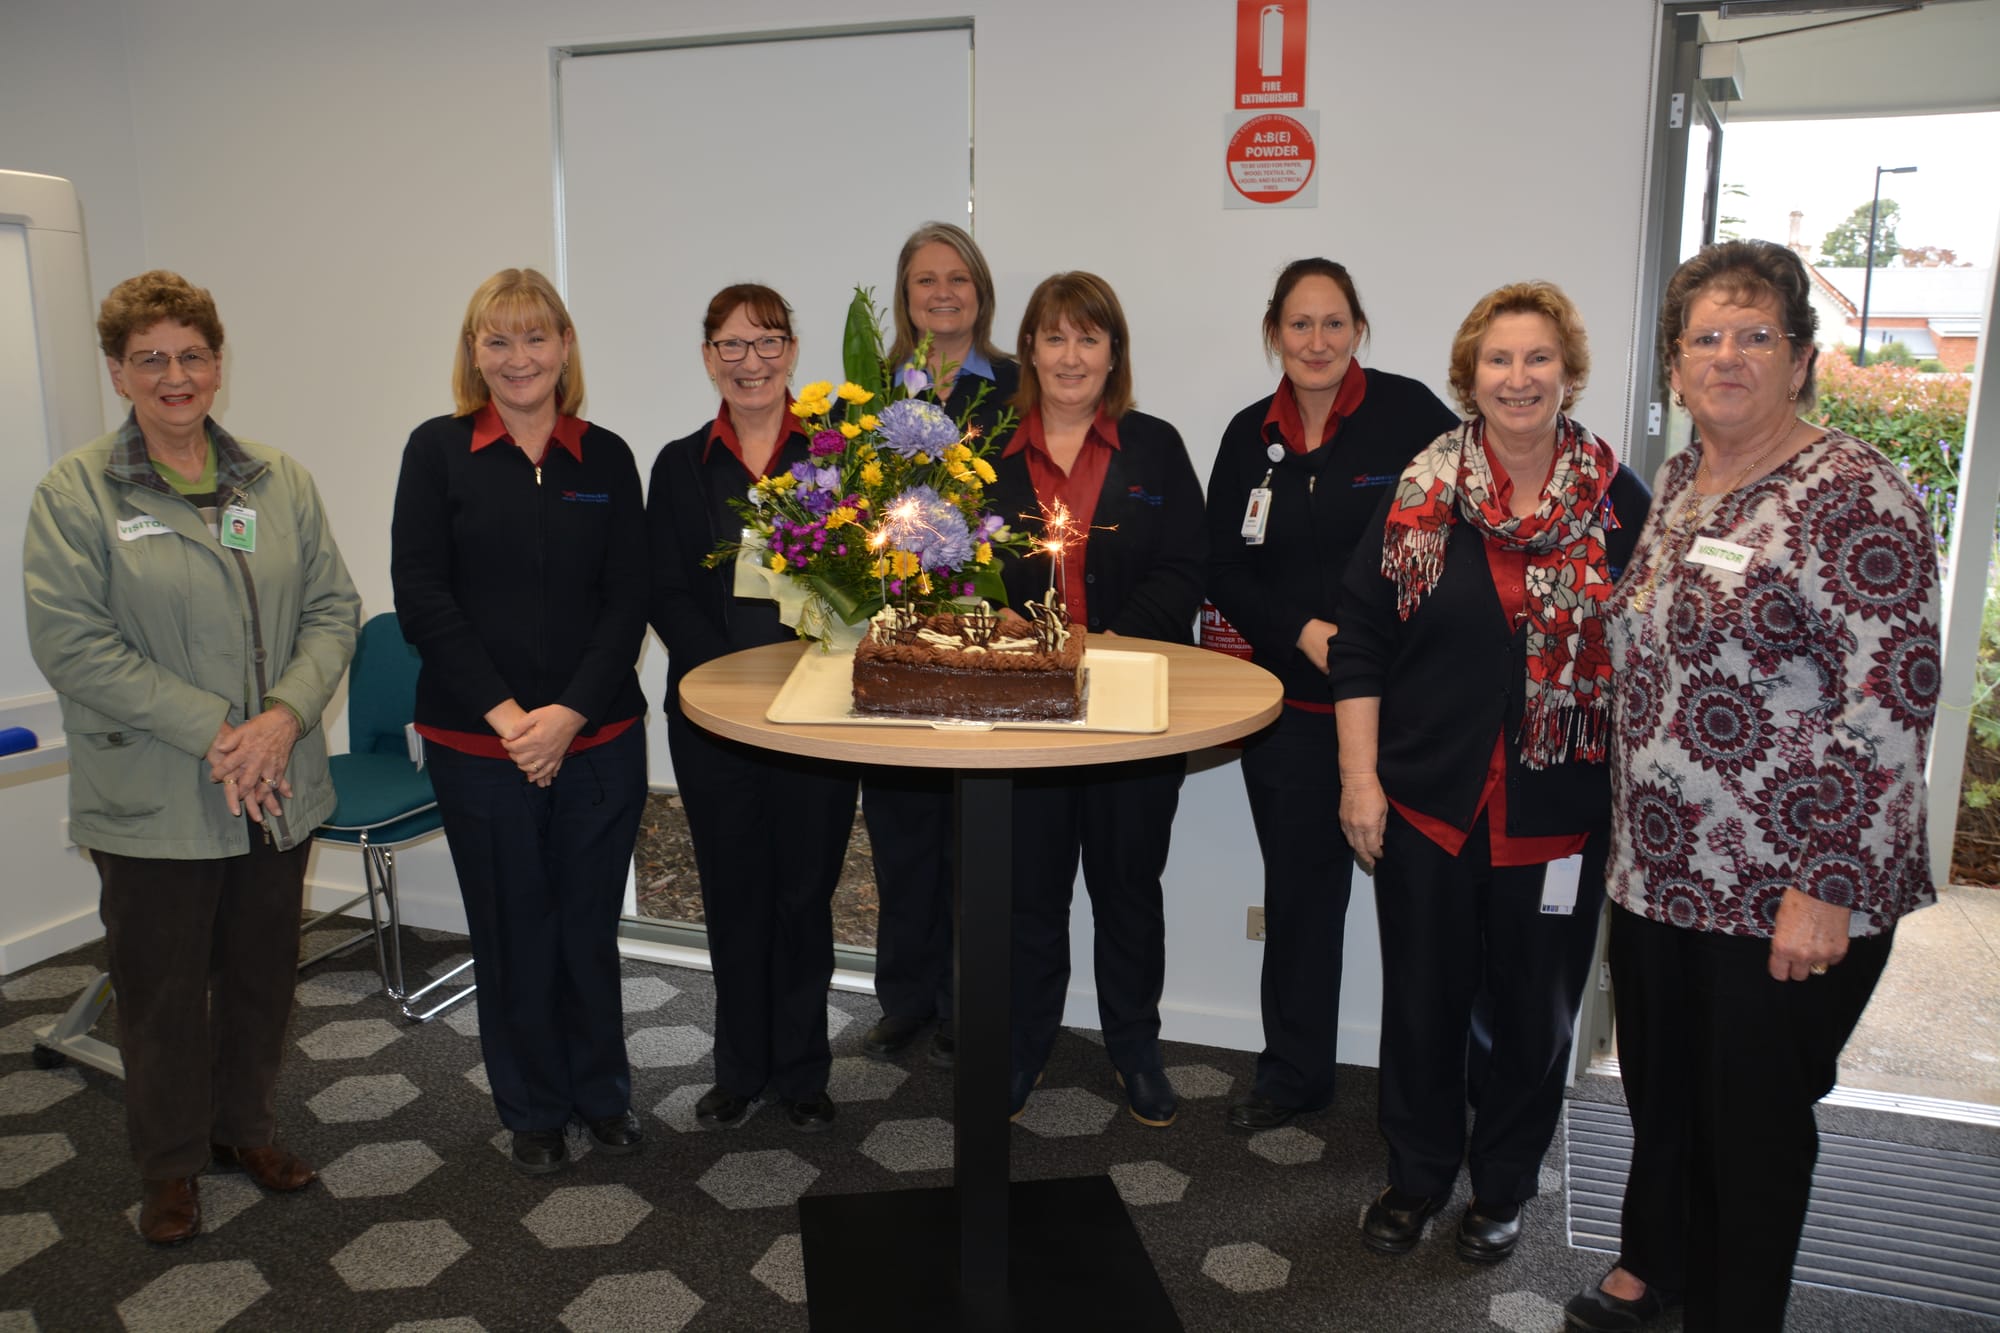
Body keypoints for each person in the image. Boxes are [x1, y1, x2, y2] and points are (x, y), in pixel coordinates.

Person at [1566, 240, 1941, 1333]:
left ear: (1799, 358)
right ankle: (1658, 1264)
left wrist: (1821, 883)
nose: (1726, 357)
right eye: (1704, 338)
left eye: (1754, 336)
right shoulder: (1684, 476)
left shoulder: (1853, 497)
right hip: (1661, 871)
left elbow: (1886, 708)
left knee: (1754, 1128)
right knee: (1666, 1095)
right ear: (1673, 365)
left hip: (1784, 887)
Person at [23, 270, 360, 1243]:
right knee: (162, 990)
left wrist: (280, 719)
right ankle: (168, 1166)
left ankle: (241, 1129)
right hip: (159, 786)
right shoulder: (76, 494)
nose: (176, 376)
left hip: (274, 782)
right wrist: (221, 730)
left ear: (218, 365)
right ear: (120, 372)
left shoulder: (276, 480)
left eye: (192, 355)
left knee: (261, 975)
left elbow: (334, 610)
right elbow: (72, 642)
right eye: (151, 359)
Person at [1329, 281, 1650, 1261]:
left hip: (1555, 812)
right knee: (1420, 1002)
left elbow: (1651, 655)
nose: (1518, 378)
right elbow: (1359, 645)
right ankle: (1416, 1175)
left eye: (1537, 357)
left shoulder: (1614, 499)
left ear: (1567, 372)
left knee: (1530, 1013)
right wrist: (1357, 779)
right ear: (1469, 375)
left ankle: (1502, 1187)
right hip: (1427, 802)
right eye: (1498, 359)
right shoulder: (1418, 490)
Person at [391, 269, 649, 1175]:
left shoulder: (607, 456)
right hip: (478, 744)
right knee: (511, 927)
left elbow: (628, 600)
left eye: (535, 337)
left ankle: (602, 1094)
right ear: (473, 355)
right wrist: (513, 721)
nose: (518, 357)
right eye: (496, 341)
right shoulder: (438, 451)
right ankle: (533, 1107)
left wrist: (568, 715)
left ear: (565, 347)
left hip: (601, 739)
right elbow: (422, 597)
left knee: (585, 924)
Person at [1204, 258, 1458, 1132]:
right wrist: (1302, 633)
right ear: (1275, 330)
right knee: (1301, 901)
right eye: (1300, 324)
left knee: (1417, 915)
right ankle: (1294, 1075)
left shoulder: (1413, 416)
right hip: (1290, 718)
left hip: (1399, 714)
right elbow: (1224, 567)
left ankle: (1421, 1095)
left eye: (1334, 323)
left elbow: (1451, 544)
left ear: (1359, 330)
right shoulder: (1248, 436)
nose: (1318, 342)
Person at [988, 271, 1206, 1126]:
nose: (1071, 355)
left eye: (1089, 337)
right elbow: (951, 564)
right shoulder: (987, 449)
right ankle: (1024, 1044)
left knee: (1127, 889)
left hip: (1129, 710)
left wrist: (1111, 645)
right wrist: (998, 620)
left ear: (1113, 351)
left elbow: (1186, 565)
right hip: (1022, 713)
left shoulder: (1154, 447)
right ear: (1030, 350)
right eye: (1054, 337)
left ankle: (1135, 1047)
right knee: (1031, 896)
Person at [647, 284, 858, 1132]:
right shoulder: (678, 464)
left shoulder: (839, 460)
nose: (751, 362)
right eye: (731, 346)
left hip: (817, 717)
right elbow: (664, 588)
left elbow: (865, 582)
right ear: (707, 359)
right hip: (713, 719)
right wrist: (728, 681)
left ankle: (803, 1070)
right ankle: (739, 1066)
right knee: (735, 895)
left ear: (793, 352)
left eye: (767, 342)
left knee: (806, 895)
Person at [860, 222, 1020, 1070]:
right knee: (901, 833)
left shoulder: (1020, 386)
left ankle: (967, 1002)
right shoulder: (874, 390)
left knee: (974, 833)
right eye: (925, 280)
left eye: (958, 278)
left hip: (986, 641)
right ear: (906, 294)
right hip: (897, 642)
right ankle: (904, 1000)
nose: (943, 293)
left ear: (981, 290)